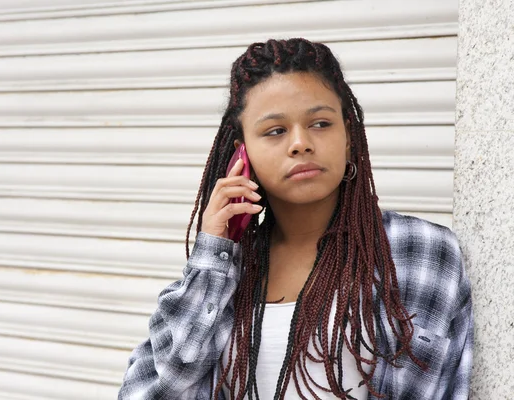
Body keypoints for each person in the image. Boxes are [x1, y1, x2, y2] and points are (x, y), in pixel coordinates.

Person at [118, 38, 473, 400]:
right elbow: (149, 391)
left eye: (320, 123)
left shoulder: (422, 251)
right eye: (275, 131)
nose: (300, 143)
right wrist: (212, 252)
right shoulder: (228, 271)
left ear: (348, 135)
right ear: (242, 152)